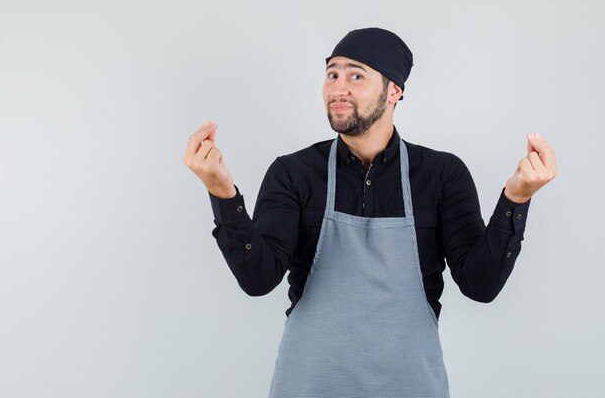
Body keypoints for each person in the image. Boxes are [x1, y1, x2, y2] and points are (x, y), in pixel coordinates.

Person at [184, 27, 557, 397]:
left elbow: (481, 285)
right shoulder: (294, 173)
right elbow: (258, 279)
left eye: (356, 76)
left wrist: (516, 198)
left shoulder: (442, 176)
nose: (337, 88)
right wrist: (222, 193)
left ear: (394, 91)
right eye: (332, 74)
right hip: (309, 385)